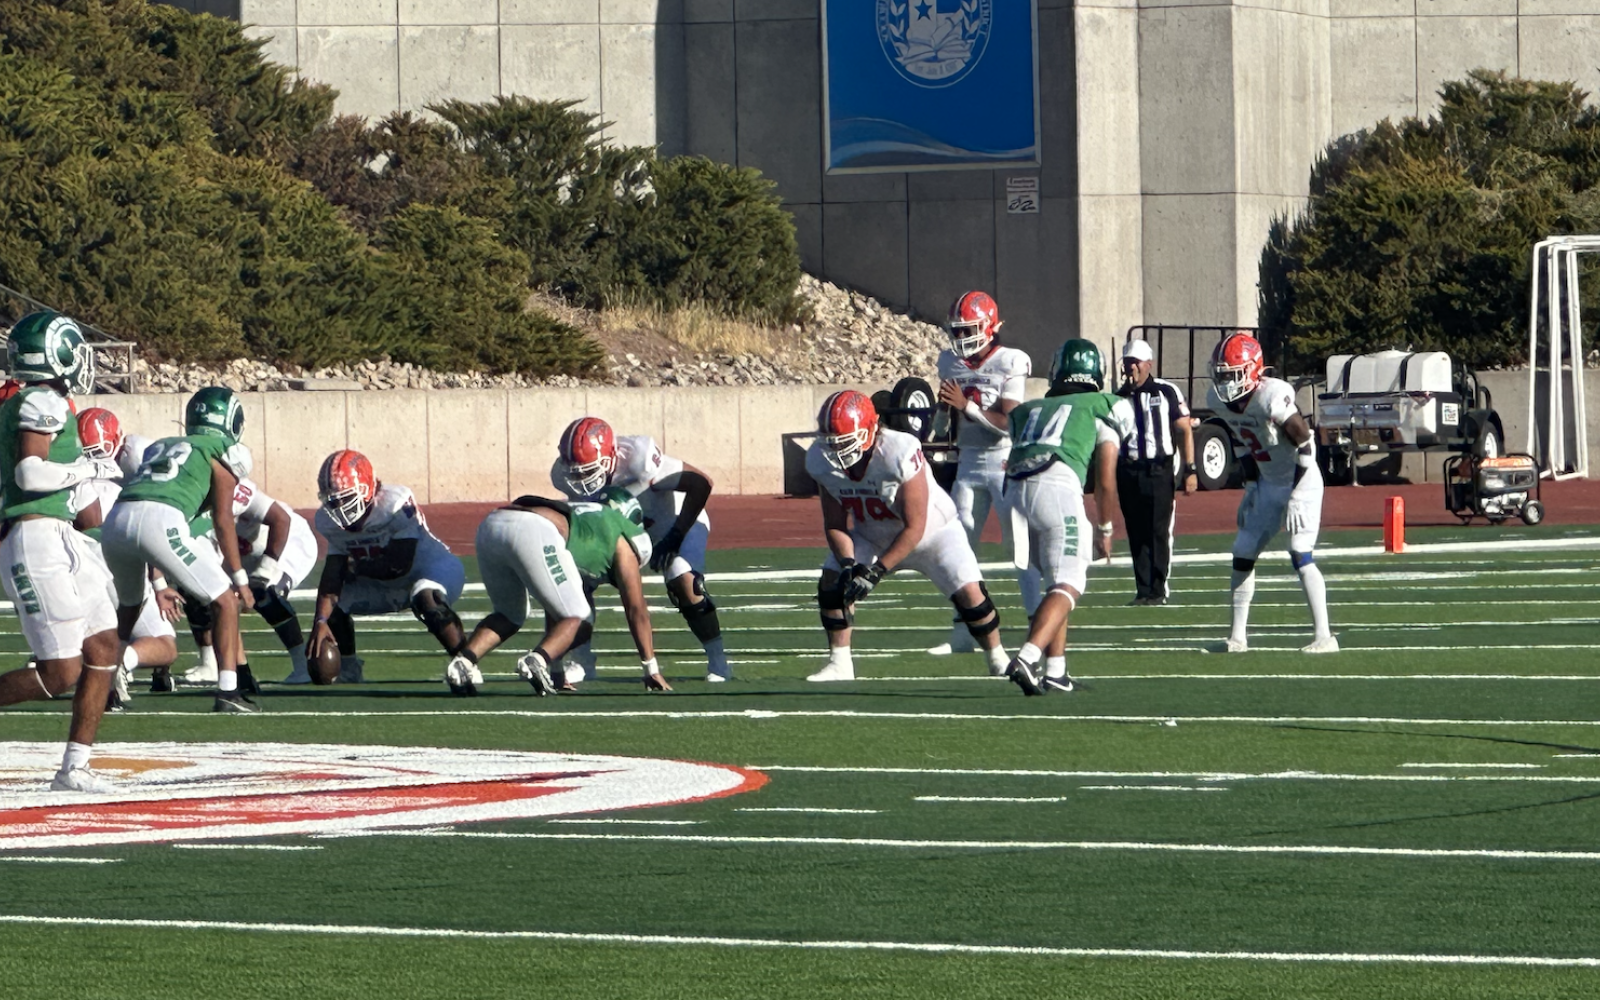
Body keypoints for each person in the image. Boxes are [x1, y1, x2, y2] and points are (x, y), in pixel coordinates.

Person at [804, 390, 1008, 682]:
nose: (836, 451)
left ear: (870, 430)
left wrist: (876, 571)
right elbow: (835, 524)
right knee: (833, 582)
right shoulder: (821, 460)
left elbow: (916, 525)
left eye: (844, 441)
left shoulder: (899, 450)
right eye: (830, 442)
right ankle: (840, 663)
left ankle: (997, 656)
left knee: (971, 597)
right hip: (871, 534)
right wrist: (850, 564)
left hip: (934, 532)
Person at [0, 311, 122, 790]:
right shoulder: (40, 398)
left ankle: (75, 768)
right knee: (60, 671)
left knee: (104, 645)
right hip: (36, 537)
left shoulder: (38, 399)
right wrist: (87, 470)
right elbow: (30, 474)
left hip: (63, 535)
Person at [101, 387, 259, 712]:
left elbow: (146, 510)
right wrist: (240, 578)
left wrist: (158, 583)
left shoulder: (161, 445)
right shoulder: (224, 449)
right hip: (161, 519)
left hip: (117, 519)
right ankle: (229, 692)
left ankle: (103, 685)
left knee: (127, 611)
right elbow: (223, 520)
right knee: (225, 602)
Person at [553, 418, 729, 682]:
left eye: (587, 470)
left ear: (610, 457)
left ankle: (718, 660)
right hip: (623, 529)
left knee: (683, 579)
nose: (580, 479)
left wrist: (675, 536)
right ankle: (582, 661)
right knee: (577, 578)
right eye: (575, 471)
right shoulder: (563, 475)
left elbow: (701, 483)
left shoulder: (640, 460)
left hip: (673, 519)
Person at [1002, 339, 1133, 696]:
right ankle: (1028, 658)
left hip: (1012, 492)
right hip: (1055, 488)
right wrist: (1105, 527)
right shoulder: (1103, 406)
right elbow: (1105, 481)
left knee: (1053, 583)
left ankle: (1056, 673)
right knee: (1070, 582)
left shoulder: (1030, 409)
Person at [445, 491, 665, 697]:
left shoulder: (588, 523)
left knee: (509, 614)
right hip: (533, 529)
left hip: (492, 524)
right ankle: (536, 662)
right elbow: (636, 609)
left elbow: (557, 606)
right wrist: (650, 668)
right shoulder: (623, 537)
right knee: (580, 618)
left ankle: (462, 664)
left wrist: (557, 671)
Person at [1206, 330, 1337, 654]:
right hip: (1266, 482)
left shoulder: (1271, 395)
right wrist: (1250, 486)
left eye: (1232, 374)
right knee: (1243, 550)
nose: (1225, 382)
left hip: (1300, 479)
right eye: (1221, 374)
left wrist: (1295, 494)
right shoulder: (1220, 402)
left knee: (1299, 551)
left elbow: (1306, 442)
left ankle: (1325, 636)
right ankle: (1237, 638)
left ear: (1252, 369)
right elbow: (1242, 443)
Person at [928, 290, 1040, 655]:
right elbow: (945, 418)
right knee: (959, 552)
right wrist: (944, 414)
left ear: (989, 326)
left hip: (1004, 462)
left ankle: (1038, 624)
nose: (961, 339)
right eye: (957, 331)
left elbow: (1011, 423)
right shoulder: (950, 363)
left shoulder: (1010, 361)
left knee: (1019, 547)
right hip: (968, 462)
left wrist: (968, 407)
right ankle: (964, 633)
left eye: (968, 330)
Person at [307, 449, 467, 679]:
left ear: (366, 488)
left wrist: (355, 568)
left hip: (430, 569)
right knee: (334, 604)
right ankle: (350, 669)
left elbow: (399, 564)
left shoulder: (394, 504)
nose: (339, 507)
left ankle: (465, 662)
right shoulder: (327, 522)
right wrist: (320, 621)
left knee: (426, 597)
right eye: (333, 500)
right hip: (383, 586)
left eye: (345, 497)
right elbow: (332, 575)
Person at [72, 407, 181, 710]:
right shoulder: (127, 481)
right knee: (164, 645)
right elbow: (146, 527)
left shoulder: (132, 455)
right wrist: (158, 582)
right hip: (120, 559)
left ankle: (67, 657)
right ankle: (119, 662)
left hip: (78, 567)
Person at [179, 476, 320, 687]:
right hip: (238, 551)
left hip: (284, 542)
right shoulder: (184, 505)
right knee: (197, 588)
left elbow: (281, 520)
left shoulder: (233, 492)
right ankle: (210, 664)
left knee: (265, 593)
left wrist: (262, 573)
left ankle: (302, 665)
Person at [1115, 338, 1196, 606]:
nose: (1130, 368)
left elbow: (1184, 429)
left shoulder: (1165, 391)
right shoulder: (1117, 397)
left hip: (1158, 469)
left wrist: (1190, 469)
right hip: (1128, 470)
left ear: (1149, 364)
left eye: (1135, 362)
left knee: (1158, 530)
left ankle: (1158, 589)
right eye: (1127, 363)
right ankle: (1143, 589)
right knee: (1135, 530)